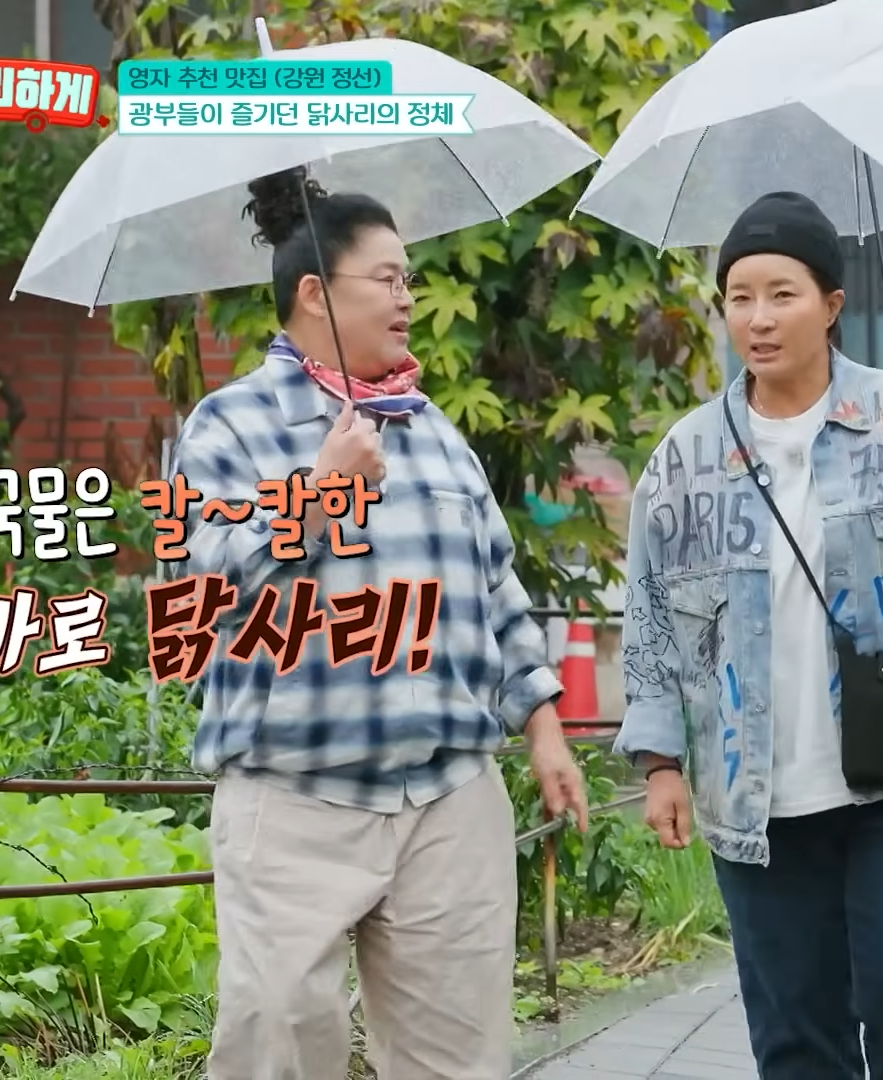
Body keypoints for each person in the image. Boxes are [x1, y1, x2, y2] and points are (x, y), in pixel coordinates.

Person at [174, 167, 588, 1080]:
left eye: (410, 279)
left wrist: (544, 728)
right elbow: (198, 585)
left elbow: (495, 588)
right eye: (388, 279)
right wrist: (321, 493)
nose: (408, 299)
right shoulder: (228, 426)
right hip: (293, 794)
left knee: (457, 1061)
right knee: (277, 1047)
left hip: (449, 798)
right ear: (314, 292)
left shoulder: (431, 428)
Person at [616, 191, 883, 1080]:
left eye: (782, 295)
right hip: (757, 789)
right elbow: (650, 615)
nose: (758, 318)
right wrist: (662, 763)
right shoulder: (685, 457)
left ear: (831, 305)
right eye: (739, 297)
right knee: (795, 1034)